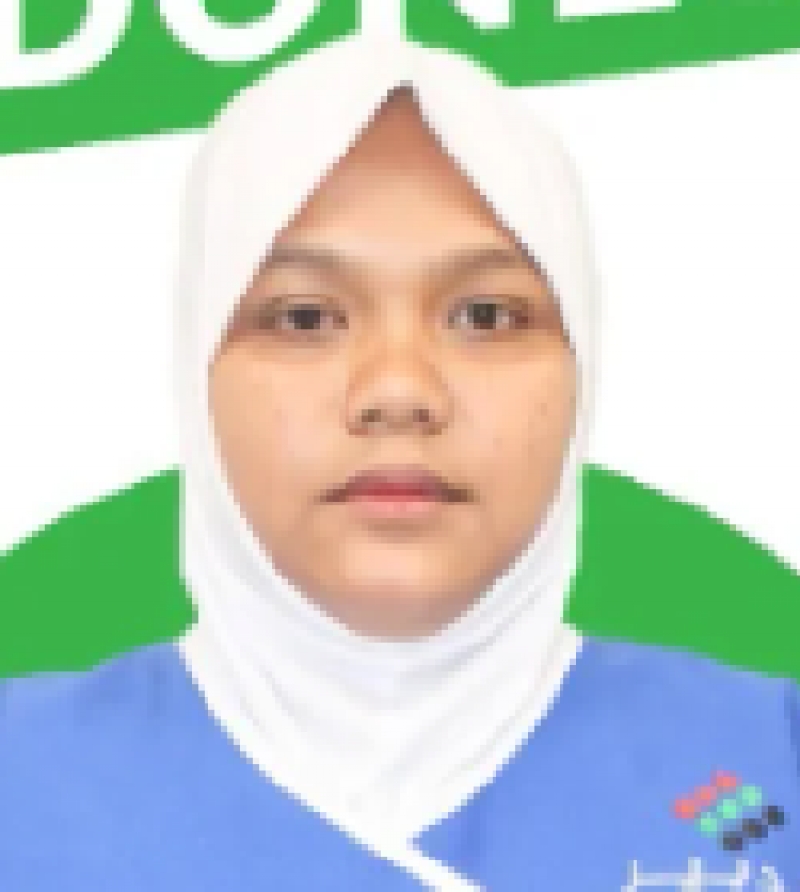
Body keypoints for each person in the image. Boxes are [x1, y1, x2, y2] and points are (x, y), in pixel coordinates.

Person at [1, 34, 798, 892]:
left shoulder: (768, 755)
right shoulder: (23, 779)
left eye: (486, 316)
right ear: (197, 369)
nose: (398, 390)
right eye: (303, 318)